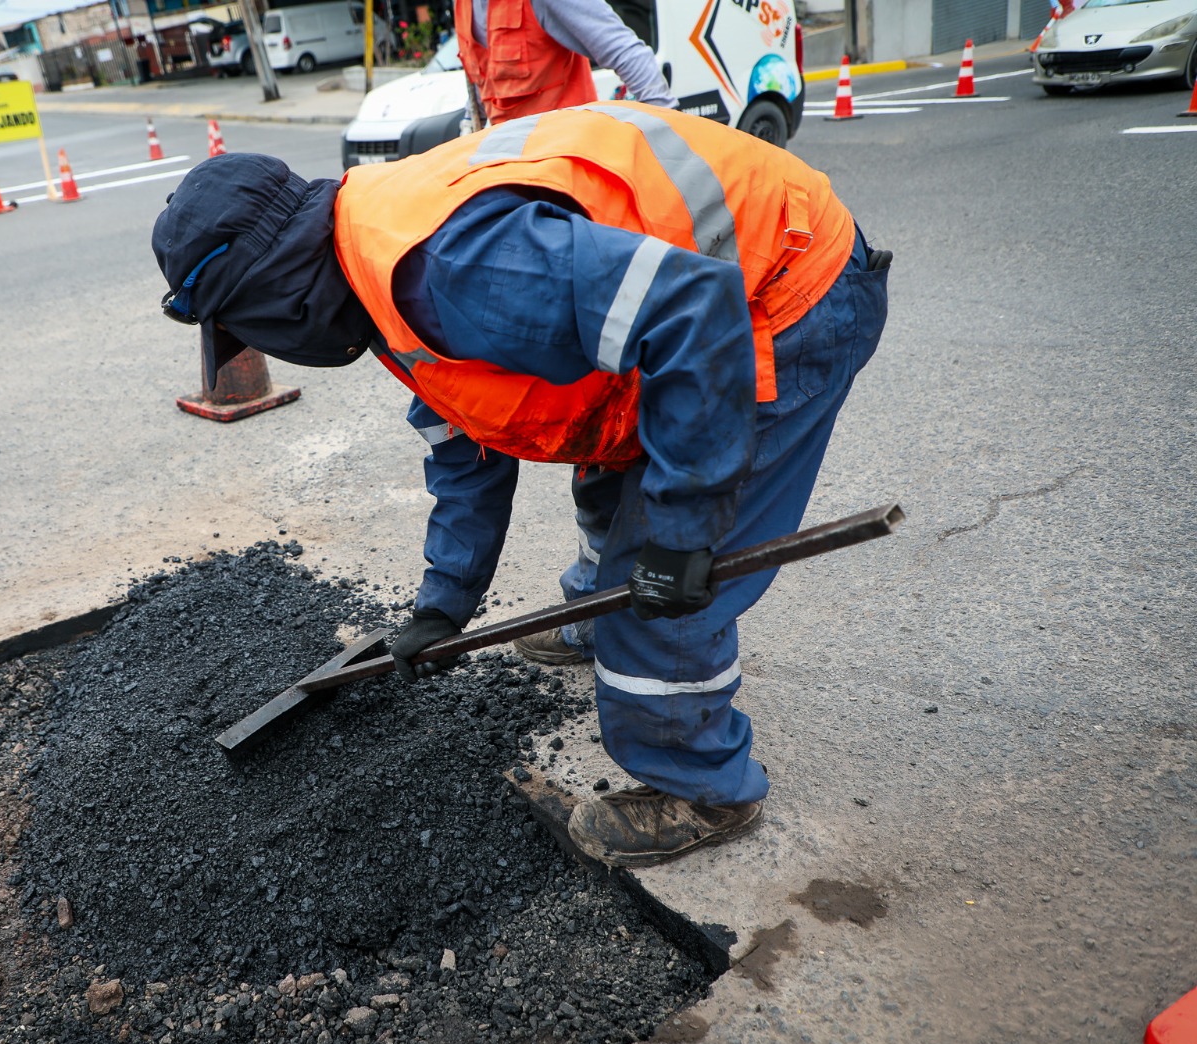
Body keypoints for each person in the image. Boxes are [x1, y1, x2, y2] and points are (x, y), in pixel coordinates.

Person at [151, 102, 890, 866]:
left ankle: (703, 786)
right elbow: (463, 446)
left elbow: (696, 315)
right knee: (612, 489)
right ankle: (602, 617)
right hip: (703, 309)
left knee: (657, 583)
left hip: (785, 294)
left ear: (271, 296)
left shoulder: (448, 267)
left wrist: (680, 539)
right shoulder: (368, 261)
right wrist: (444, 606)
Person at [455, 0, 675, 665]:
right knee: (574, 408)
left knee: (601, 408)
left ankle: (602, 606)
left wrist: (656, 146)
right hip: (514, 209)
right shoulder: (467, 5)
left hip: (574, 210)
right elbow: (482, 100)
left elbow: (632, 58)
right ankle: (601, 595)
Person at [456, 0, 677, 122]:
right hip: (511, 175)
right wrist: (468, 127)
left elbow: (628, 54)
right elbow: (484, 85)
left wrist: (673, 137)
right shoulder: (463, 5)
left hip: (566, 170)